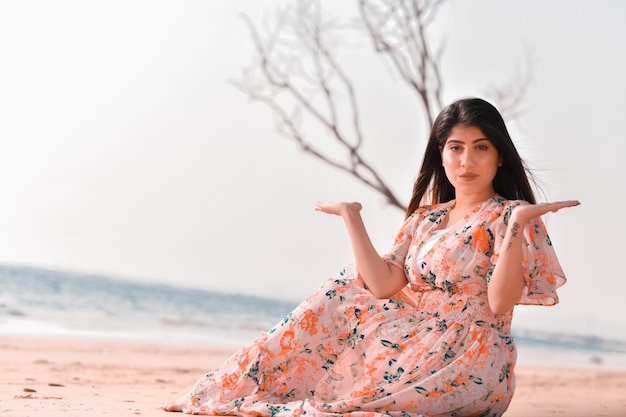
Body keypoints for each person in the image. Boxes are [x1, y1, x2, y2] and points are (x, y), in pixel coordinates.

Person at [162, 98, 579, 416]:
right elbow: (382, 285)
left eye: (480, 148)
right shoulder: (426, 218)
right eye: (455, 148)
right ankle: (223, 388)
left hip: (473, 355)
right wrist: (351, 217)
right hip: (415, 340)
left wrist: (516, 226)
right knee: (344, 288)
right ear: (441, 154)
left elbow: (499, 304)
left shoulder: (512, 215)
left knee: (348, 408)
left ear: (499, 155)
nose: (466, 161)